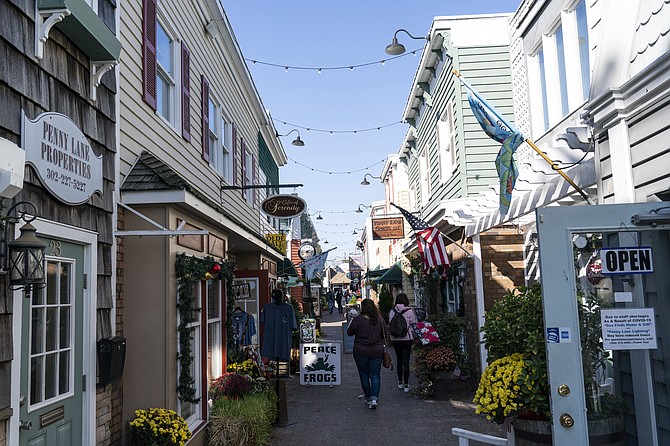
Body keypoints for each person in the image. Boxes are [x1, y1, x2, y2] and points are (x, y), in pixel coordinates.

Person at [346, 298, 385, 409]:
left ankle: (368, 397)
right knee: (375, 375)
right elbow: (384, 334)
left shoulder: (358, 320)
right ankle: (374, 399)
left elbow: (349, 333)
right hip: (376, 351)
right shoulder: (379, 319)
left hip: (360, 350)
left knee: (364, 374)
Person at [388, 293, 417, 393]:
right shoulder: (409, 311)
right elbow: (413, 325)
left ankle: (400, 382)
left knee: (399, 361)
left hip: (395, 339)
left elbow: (390, 324)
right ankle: (406, 385)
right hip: (407, 339)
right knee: (406, 361)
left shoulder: (392, 311)